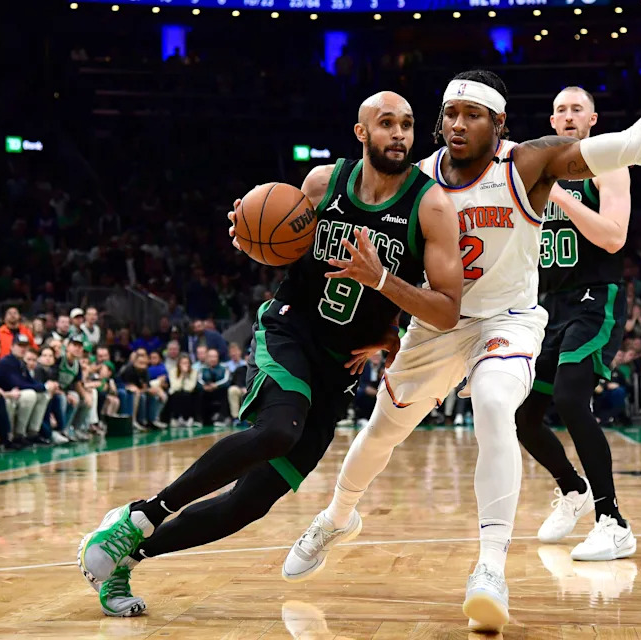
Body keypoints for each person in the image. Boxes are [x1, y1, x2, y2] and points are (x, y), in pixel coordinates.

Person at [284, 5, 641, 631]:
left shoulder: (530, 163)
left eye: (473, 115)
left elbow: (635, 145)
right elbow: (374, 244)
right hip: (436, 324)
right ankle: (337, 515)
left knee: (493, 404)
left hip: (508, 322)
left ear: (500, 122)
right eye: (450, 114)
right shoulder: (417, 176)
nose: (457, 125)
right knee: (380, 433)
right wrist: (375, 330)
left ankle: (490, 568)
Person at [77, 90, 463, 619]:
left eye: (408, 125)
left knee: (248, 504)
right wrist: (248, 235)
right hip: (291, 330)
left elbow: (445, 310)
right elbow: (275, 236)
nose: (399, 133)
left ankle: (127, 557)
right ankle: (140, 516)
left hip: (339, 368)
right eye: (386, 123)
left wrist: (388, 313)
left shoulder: (430, 205)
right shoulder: (324, 183)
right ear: (361, 133)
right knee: (279, 429)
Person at [513, 85, 635, 558]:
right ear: (551, 121)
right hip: (548, 306)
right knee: (522, 418)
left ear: (592, 121)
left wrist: (560, 196)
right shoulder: (532, 174)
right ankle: (573, 489)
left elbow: (613, 237)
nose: (567, 116)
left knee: (569, 397)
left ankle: (613, 520)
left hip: (595, 300)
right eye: (560, 109)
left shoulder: (609, 165)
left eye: (576, 109)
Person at [0, 335, 52, 446]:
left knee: (43, 395)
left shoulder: (20, 363)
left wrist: (45, 386)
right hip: (4, 395)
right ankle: (18, 434)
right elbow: (18, 384)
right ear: (12, 346)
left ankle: (33, 432)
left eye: (25, 346)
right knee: (30, 395)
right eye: (20, 346)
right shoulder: (7, 362)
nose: (22, 349)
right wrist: (44, 386)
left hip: (15, 395)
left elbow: (30, 381)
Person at [166, 353, 199, 427]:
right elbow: (175, 387)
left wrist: (186, 375)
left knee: (186, 394)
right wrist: (181, 375)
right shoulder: (173, 371)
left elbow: (190, 388)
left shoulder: (194, 372)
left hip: (189, 394)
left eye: (187, 363)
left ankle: (187, 418)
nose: (185, 365)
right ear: (178, 364)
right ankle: (175, 418)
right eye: (183, 363)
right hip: (175, 393)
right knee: (176, 394)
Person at [198, 348, 231, 425]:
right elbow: (198, 381)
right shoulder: (202, 369)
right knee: (200, 393)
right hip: (207, 391)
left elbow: (227, 381)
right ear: (207, 358)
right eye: (211, 357)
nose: (213, 359)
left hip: (220, 390)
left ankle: (222, 418)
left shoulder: (224, 368)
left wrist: (216, 385)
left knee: (224, 391)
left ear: (218, 357)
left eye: (215, 356)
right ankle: (201, 419)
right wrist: (204, 386)